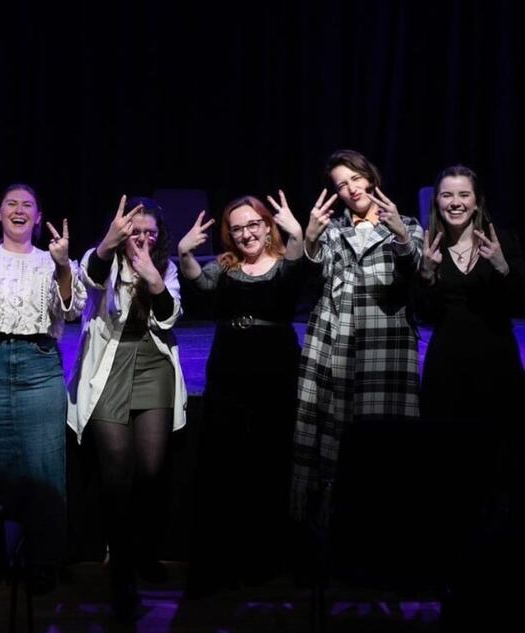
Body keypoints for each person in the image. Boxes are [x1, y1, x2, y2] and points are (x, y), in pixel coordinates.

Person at [0, 183, 86, 589]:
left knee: (46, 473)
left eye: (28, 205)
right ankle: (0, 559)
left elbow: (72, 308)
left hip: (40, 367)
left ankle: (45, 565)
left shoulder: (54, 259)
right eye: (11, 203)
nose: (19, 210)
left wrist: (63, 267)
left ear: (39, 217)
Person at [178, 191, 306, 597]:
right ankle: (221, 561)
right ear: (229, 236)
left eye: (254, 224)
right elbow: (198, 283)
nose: (247, 233)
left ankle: (262, 560)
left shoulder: (286, 265)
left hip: (275, 368)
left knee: (268, 460)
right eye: (238, 228)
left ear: (268, 225)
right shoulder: (226, 267)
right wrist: (184, 255)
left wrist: (298, 235)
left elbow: (298, 275)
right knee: (224, 463)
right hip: (230, 367)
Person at [67, 195, 187, 622]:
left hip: (153, 367)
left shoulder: (165, 267)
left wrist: (153, 276)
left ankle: (141, 551)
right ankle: (122, 577)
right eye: (135, 231)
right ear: (120, 232)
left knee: (151, 470)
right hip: (108, 369)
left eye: (150, 232)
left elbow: (170, 317)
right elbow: (89, 280)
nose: (142, 238)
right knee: (116, 474)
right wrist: (105, 246)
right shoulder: (101, 258)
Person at [416, 166, 525, 629]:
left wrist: (502, 267)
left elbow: (518, 302)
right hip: (446, 371)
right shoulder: (432, 246)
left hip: (496, 370)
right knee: (450, 474)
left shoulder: (503, 241)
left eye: (463, 194)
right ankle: (451, 574)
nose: (455, 201)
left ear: (477, 200)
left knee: (498, 474)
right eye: (446, 195)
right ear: (437, 202)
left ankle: (498, 576)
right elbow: (422, 315)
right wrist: (425, 272)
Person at [290, 149, 424, 527]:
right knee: (335, 440)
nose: (350, 189)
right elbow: (311, 281)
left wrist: (399, 236)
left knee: (385, 441)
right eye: (340, 184)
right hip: (337, 339)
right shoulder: (332, 229)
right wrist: (311, 242)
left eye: (355, 179)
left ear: (370, 176)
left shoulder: (408, 224)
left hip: (387, 344)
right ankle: (327, 535)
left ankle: (386, 532)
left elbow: (416, 278)